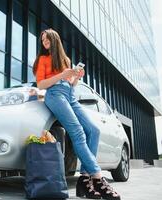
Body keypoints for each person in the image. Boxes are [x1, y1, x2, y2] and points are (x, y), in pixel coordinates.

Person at [33, 28, 121, 200]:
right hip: (55, 95)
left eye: (47, 39)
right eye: (42, 40)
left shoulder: (65, 60)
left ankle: (84, 180)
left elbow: (71, 85)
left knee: (93, 131)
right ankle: (97, 178)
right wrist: (61, 75)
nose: (44, 43)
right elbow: (41, 85)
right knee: (78, 133)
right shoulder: (42, 59)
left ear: (55, 39)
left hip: (70, 95)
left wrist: (77, 77)